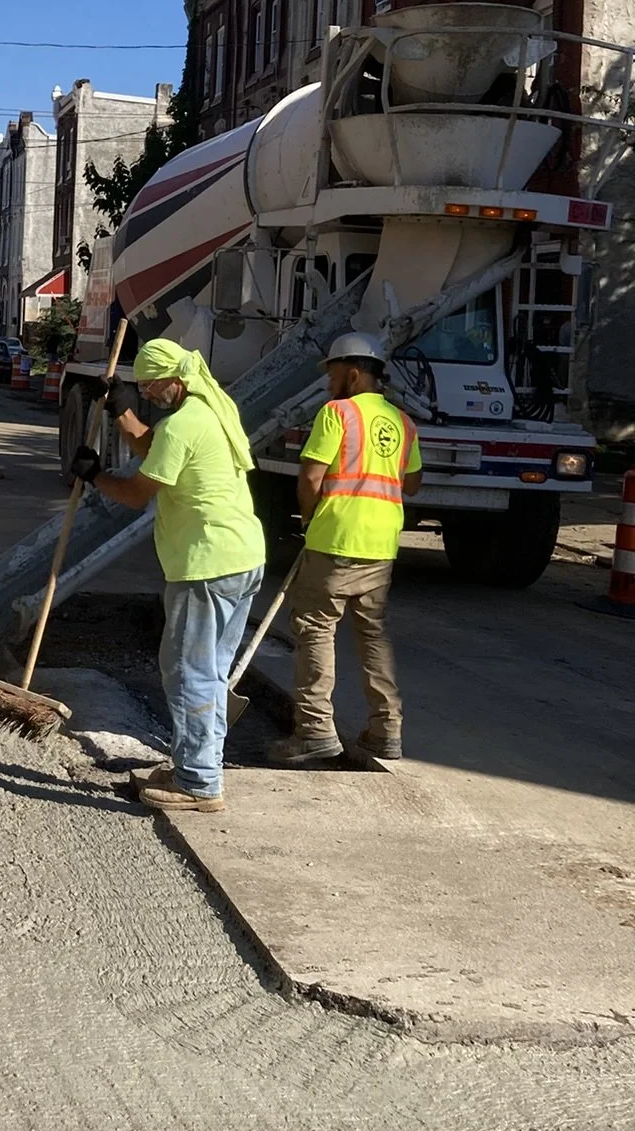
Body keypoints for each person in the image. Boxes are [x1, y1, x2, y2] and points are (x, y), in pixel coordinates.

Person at [71, 337, 265, 813]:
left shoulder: (183, 425)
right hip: (243, 558)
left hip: (206, 564)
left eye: (153, 388)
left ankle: (198, 783)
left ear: (175, 380)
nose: (151, 396)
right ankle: (198, 766)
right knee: (212, 673)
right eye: (144, 389)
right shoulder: (210, 410)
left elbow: (139, 492)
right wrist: (121, 410)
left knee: (188, 673)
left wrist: (94, 475)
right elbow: (152, 444)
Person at [273, 331, 422, 766]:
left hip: (335, 539)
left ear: (354, 374)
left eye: (333, 373)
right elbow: (411, 483)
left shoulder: (336, 414)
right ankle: (386, 730)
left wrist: (308, 517)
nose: (328, 382)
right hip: (381, 546)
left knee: (316, 629)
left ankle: (315, 730)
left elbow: (311, 477)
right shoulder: (402, 421)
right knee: (373, 635)